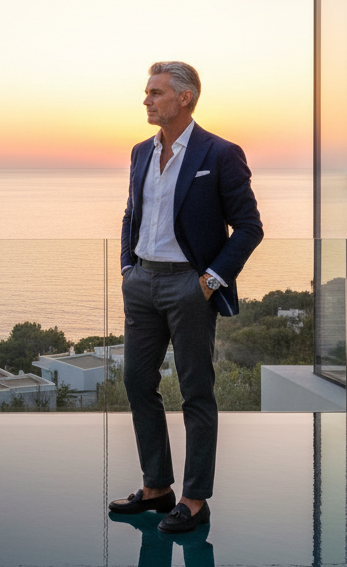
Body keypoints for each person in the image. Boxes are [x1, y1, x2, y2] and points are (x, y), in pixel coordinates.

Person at [108, 61, 263, 534]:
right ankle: (157, 488)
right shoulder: (139, 152)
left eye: (155, 92)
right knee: (138, 382)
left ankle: (195, 499)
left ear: (185, 98)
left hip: (189, 286)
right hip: (142, 283)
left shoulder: (219, 153)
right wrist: (127, 268)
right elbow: (131, 214)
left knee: (196, 391)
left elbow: (250, 228)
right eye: (147, 92)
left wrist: (210, 280)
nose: (146, 100)